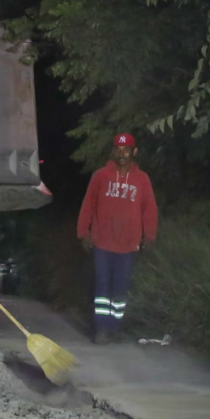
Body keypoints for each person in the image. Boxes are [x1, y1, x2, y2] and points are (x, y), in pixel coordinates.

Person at [77, 133, 158, 345]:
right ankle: (102, 328)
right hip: (102, 241)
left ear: (134, 151)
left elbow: (149, 209)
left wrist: (149, 235)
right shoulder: (101, 176)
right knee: (102, 285)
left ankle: (115, 326)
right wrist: (83, 232)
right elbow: (88, 204)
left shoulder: (142, 179)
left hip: (129, 244)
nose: (122, 154)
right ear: (113, 151)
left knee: (120, 287)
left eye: (127, 149)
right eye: (118, 149)